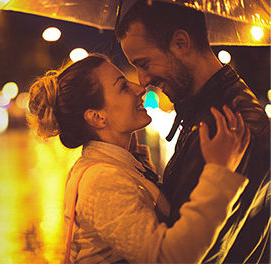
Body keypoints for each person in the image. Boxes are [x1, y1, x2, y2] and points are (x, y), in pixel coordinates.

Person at [27, 54, 250, 263]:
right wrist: (221, 173)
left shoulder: (118, 167)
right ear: (97, 117)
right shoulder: (101, 181)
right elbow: (168, 256)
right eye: (123, 87)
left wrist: (140, 167)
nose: (140, 88)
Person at [115, 1, 270, 263]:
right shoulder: (207, 109)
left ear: (180, 43)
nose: (141, 80)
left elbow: (198, 249)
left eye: (144, 63)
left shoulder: (225, 124)